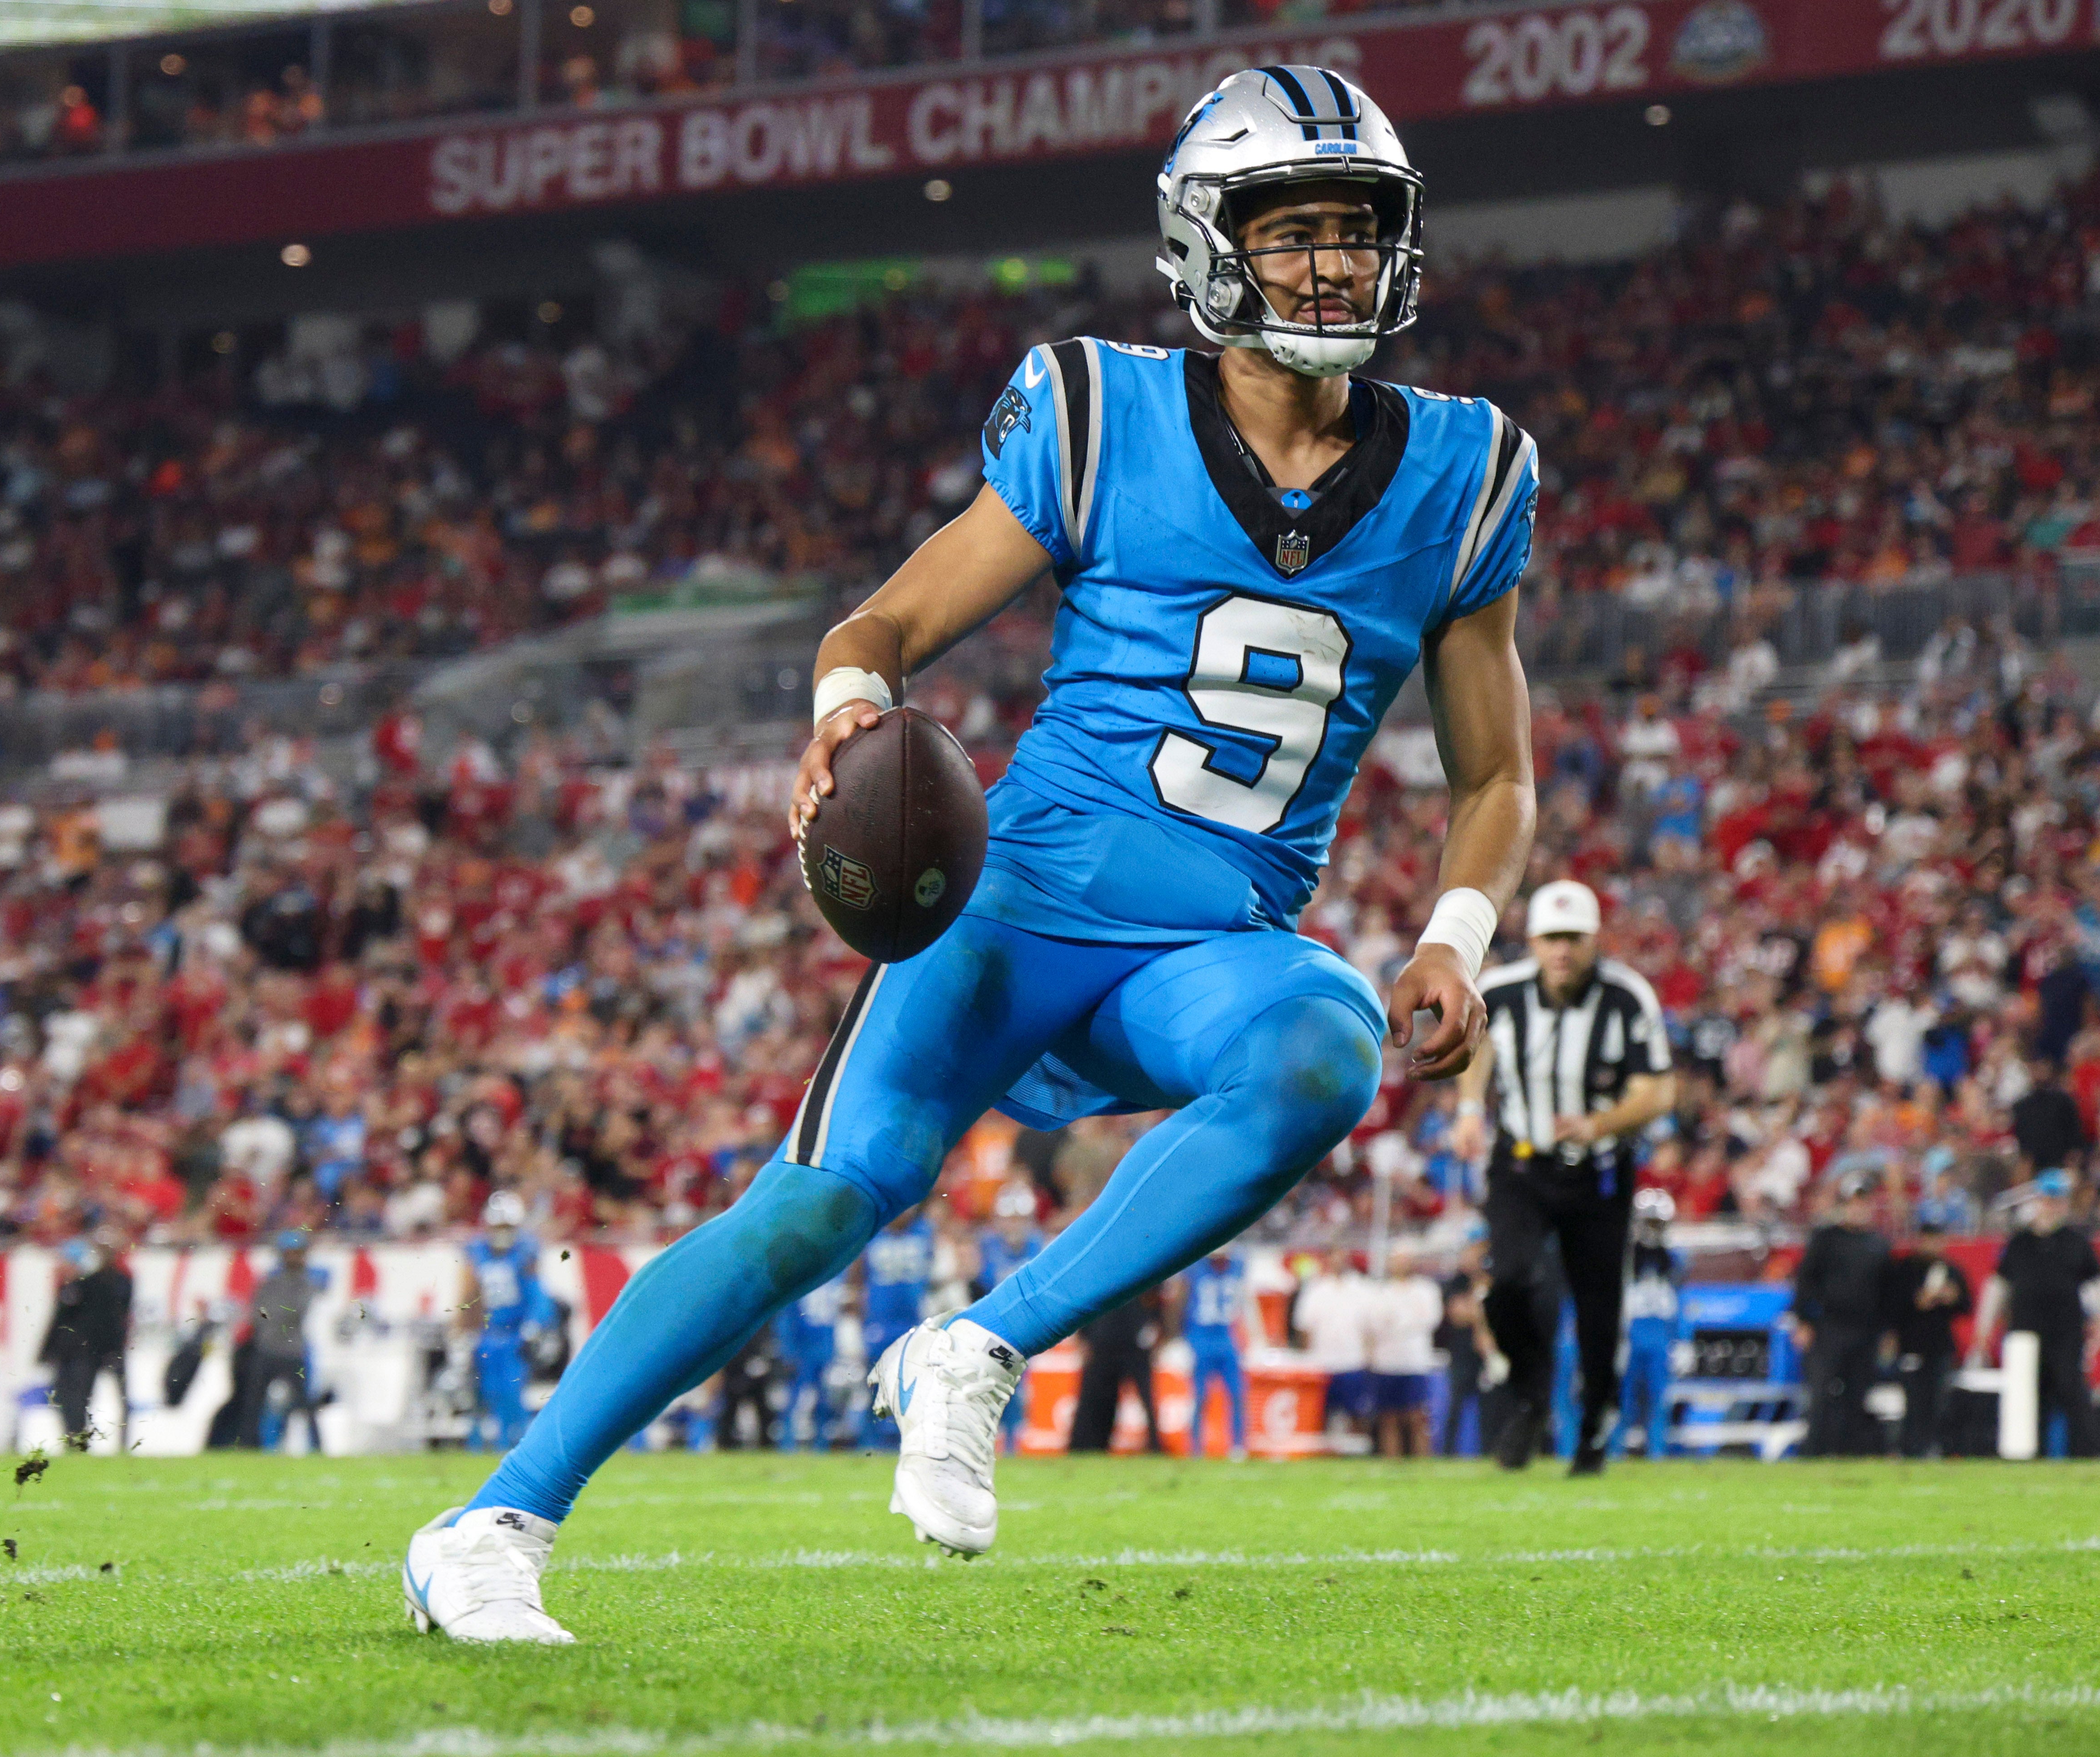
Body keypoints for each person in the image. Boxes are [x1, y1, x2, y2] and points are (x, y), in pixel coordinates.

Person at [407, 62, 1538, 1643]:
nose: (1331, 263)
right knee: (819, 1202)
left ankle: (980, 1346)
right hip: (1010, 914)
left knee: (1321, 1049)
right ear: (1210, 245)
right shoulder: (1103, 410)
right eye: (1290, 231)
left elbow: (1493, 773)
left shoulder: (1463, 469)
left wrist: (1452, 933)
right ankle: (491, 1520)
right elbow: (880, 622)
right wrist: (850, 706)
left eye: (1354, 229)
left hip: (1210, 945)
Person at [1456, 880, 1676, 1475]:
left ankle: (1593, 1427)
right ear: (1531, 940)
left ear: (1593, 939)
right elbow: (1476, 1047)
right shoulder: (1500, 993)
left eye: (1572, 938)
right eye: (1550, 938)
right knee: (1505, 1283)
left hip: (1599, 1172)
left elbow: (1658, 1088)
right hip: (1521, 1164)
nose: (1560, 950)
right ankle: (1529, 1389)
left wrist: (1600, 1121)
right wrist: (1470, 1108)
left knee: (1598, 1306)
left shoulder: (1627, 997)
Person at [1967, 1170, 2099, 1458]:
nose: (2052, 1206)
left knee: (2073, 1394)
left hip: (2065, 1333)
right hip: (2025, 1334)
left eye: (2057, 1200)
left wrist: (2097, 1328)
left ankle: (2087, 1456)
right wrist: (1984, 1328)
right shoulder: (2019, 1243)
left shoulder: (2076, 1244)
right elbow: (1998, 1287)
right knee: (2028, 1398)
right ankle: (2029, 1455)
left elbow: (2093, 1291)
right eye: (2047, 1200)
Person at [1794, 1173, 1893, 1458]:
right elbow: (1806, 1281)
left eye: (1865, 1202)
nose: (1860, 1208)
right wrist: (1803, 1321)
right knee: (1821, 1393)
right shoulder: (1826, 1240)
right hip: (1829, 1327)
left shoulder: (1878, 1245)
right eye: (1854, 1202)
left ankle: (1850, 1453)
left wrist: (1887, 1331)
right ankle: (1814, 1453)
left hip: (1866, 1330)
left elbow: (1887, 1293)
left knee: (1858, 1394)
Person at [462, 1194, 548, 1450]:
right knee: (484, 1390)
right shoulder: (477, 1252)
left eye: (507, 1227)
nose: (501, 1233)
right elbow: (469, 1296)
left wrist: (534, 1324)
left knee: (512, 1390)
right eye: (498, 1227)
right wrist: (464, 1330)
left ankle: (514, 1443)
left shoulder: (525, 1253)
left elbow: (537, 1295)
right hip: (489, 1333)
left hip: (515, 1333)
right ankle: (479, 1444)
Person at [1883, 1215, 1972, 1460]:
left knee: (1939, 1401)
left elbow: (1966, 1306)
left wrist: (1950, 1298)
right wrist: (1917, 1301)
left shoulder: (1950, 1270)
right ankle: (1908, 1447)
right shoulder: (1905, 1269)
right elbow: (1892, 1307)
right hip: (1911, 1345)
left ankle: (1935, 1447)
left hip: (1940, 1347)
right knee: (1913, 1400)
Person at [853, 1206, 935, 1449]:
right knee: (874, 1387)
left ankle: (911, 1445)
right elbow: (856, 1280)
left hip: (913, 1324)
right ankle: (869, 1444)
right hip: (879, 1323)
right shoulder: (873, 1234)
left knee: (914, 1388)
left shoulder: (925, 1233)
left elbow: (935, 1278)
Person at [41, 1238, 134, 1448]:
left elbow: (106, 1320)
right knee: (69, 1397)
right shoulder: (78, 1285)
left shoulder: (95, 1285)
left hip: (87, 1352)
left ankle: (82, 1441)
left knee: (80, 1397)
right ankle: (75, 1440)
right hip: (76, 1352)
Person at [976, 1184, 1046, 1450]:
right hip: (994, 1331)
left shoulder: (1037, 1245)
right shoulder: (987, 1246)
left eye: (1020, 1219)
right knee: (992, 1391)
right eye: (1010, 1219)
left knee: (1017, 1395)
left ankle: (1013, 1447)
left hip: (1025, 1333)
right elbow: (977, 1286)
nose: (1015, 1225)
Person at [1617, 1188, 1682, 1459]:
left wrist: (1681, 1340)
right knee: (1622, 1400)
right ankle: (1614, 1452)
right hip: (1631, 1332)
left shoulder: (1673, 1259)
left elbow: (1677, 1300)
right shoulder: (1626, 1256)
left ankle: (1657, 1453)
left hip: (1659, 1333)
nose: (1655, 1230)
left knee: (1659, 1400)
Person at [247, 1229, 321, 1451]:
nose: (293, 1257)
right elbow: (256, 1312)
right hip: (267, 1348)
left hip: (292, 1351)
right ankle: (251, 1447)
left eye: (296, 1253)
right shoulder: (271, 1282)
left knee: (305, 1404)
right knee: (254, 1403)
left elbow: (297, 1311)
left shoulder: (306, 1282)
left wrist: (272, 1316)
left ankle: (316, 1447)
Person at [1294, 1252, 1377, 1444]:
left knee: (1358, 1414)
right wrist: (1309, 1359)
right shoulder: (1317, 1290)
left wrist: (1369, 1357)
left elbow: (1370, 1328)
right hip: (1323, 1363)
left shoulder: (1362, 1289)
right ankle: (1320, 1453)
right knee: (1320, 1414)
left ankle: (1360, 1454)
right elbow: (1304, 1327)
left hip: (1353, 1362)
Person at [1066, 1291, 1162, 1454]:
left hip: (1133, 1341)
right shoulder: (1098, 1271)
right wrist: (1083, 1336)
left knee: (1147, 1398)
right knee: (1098, 1399)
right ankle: (1091, 1444)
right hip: (1104, 1341)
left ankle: (1155, 1446)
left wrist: (1158, 1329)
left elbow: (1155, 1298)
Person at [1366, 1250, 1441, 1457]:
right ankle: (1392, 1460)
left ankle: (1423, 1460)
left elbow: (1430, 1320)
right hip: (1387, 1361)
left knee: (1418, 1417)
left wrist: (1397, 1323)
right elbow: (1375, 1324)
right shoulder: (1381, 1291)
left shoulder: (1426, 1290)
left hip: (1415, 1361)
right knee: (1389, 1418)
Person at [1178, 1246, 1247, 1458]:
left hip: (1227, 1338)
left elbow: (1244, 1302)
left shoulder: (1238, 1265)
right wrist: (1181, 1335)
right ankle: (1196, 1447)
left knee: (1237, 1394)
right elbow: (1181, 1302)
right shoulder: (1196, 1269)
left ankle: (1238, 1445)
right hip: (1201, 1339)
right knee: (1200, 1396)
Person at [1436, 1234, 1494, 1457]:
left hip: (1488, 1352)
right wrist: (1480, 1312)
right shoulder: (1456, 1282)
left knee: (1490, 1405)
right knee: (1456, 1404)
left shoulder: (1490, 1279)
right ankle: (1448, 1452)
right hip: (1462, 1351)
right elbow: (1458, 1314)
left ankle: (1490, 1450)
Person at [774, 1273, 844, 1451]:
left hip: (824, 1347)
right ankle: (787, 1443)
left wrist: (833, 1348)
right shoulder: (800, 1280)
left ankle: (821, 1444)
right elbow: (788, 1316)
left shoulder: (834, 1278)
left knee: (824, 1400)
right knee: (797, 1398)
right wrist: (789, 1349)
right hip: (804, 1349)